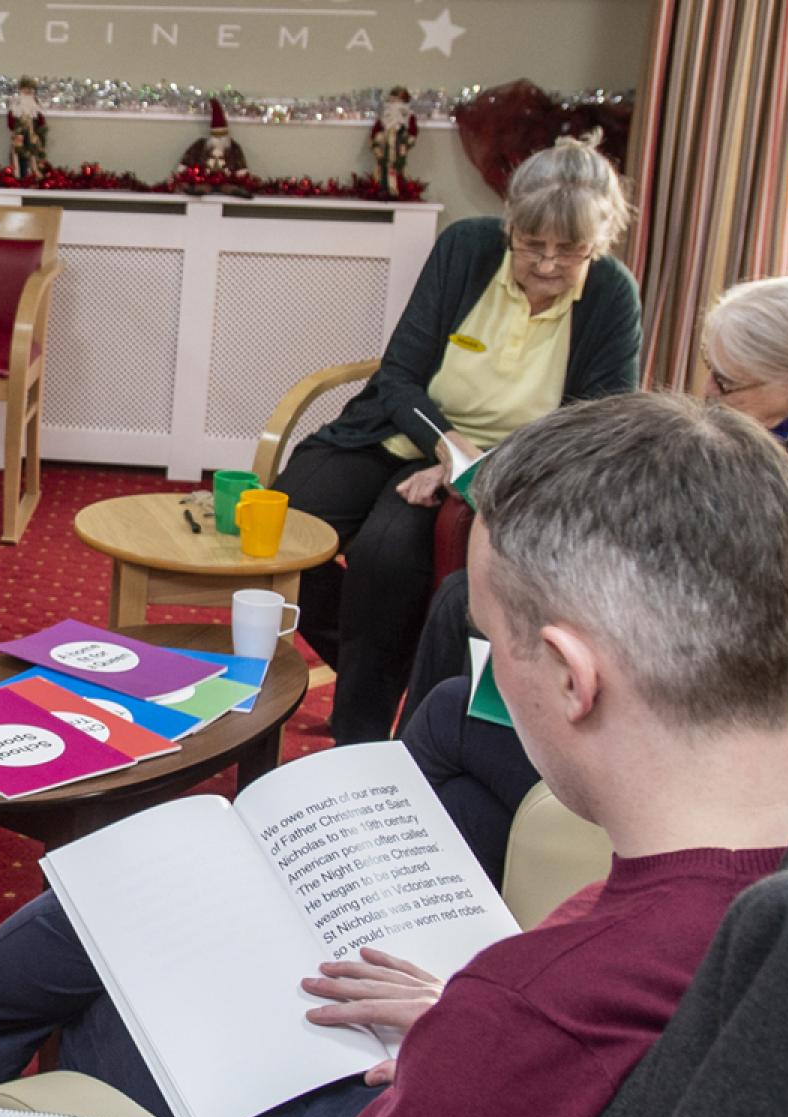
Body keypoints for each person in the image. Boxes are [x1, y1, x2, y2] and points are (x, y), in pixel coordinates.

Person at [0, 393, 788, 1117]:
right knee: (133, 952)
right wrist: (455, 1027)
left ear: (572, 678)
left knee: (115, 996)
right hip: (450, 1074)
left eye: (491, 640)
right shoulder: (756, 901)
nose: (481, 671)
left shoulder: (530, 1012)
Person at [400, 274, 788, 852]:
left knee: (451, 709)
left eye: (726, 382)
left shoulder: (787, 476)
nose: (709, 395)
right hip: (704, 701)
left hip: (711, 733)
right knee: (469, 804)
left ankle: (388, 843)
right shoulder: (776, 440)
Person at [272, 134, 641, 743]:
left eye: (568, 250)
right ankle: (385, 664)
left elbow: (594, 427)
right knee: (279, 529)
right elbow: (399, 375)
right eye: (531, 245)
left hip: (512, 468)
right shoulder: (465, 249)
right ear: (510, 225)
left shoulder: (610, 295)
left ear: (598, 244)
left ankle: (361, 732)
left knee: (384, 557)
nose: (547, 264)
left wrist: (479, 466)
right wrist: (449, 446)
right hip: (404, 429)